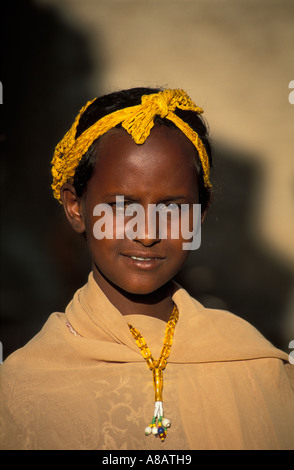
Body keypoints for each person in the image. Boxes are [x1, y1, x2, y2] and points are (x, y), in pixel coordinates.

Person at [0, 87, 293, 450]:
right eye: (123, 206)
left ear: (198, 215)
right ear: (76, 207)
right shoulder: (24, 385)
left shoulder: (255, 366)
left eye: (171, 208)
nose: (148, 232)